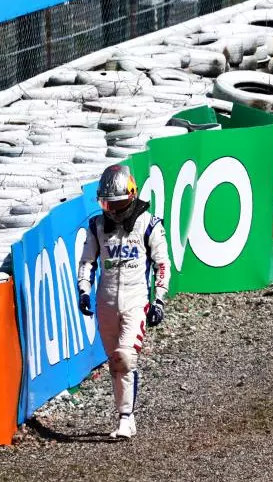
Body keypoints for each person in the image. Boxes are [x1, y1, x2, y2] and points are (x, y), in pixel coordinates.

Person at [77, 164, 170, 439]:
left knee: (125, 357)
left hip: (135, 299)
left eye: (116, 203)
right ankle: (123, 415)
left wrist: (160, 300)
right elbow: (87, 262)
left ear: (130, 196)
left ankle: (126, 418)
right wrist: (83, 291)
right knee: (114, 362)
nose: (112, 209)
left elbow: (162, 263)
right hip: (104, 303)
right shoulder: (96, 226)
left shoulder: (150, 224)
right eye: (107, 203)